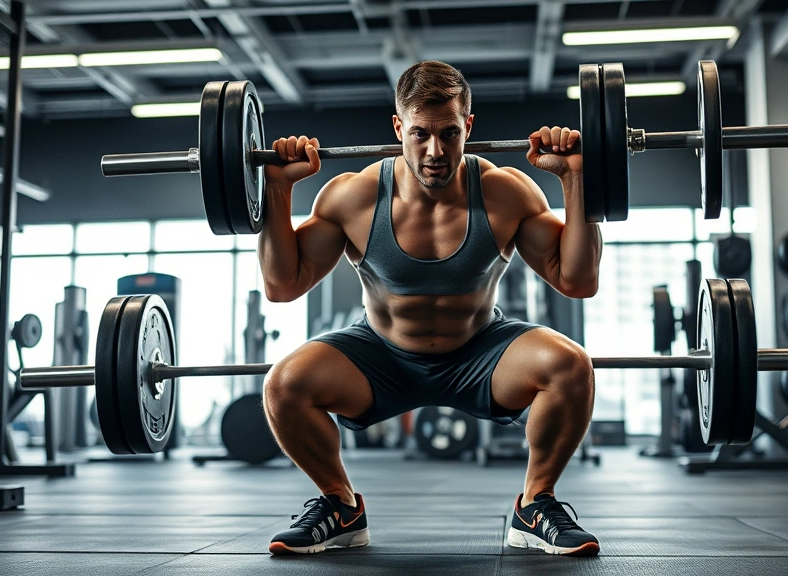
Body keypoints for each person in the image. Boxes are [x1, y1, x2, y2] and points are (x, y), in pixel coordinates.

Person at [258, 60, 603, 557]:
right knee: (284, 385)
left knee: (571, 366)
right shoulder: (353, 196)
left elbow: (577, 280)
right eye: (419, 133)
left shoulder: (506, 191)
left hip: (480, 351)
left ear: (469, 126)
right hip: (379, 355)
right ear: (399, 127)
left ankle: (535, 504)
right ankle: (339, 506)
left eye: (449, 133)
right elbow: (281, 285)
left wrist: (576, 180)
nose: (435, 151)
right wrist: (277, 189)